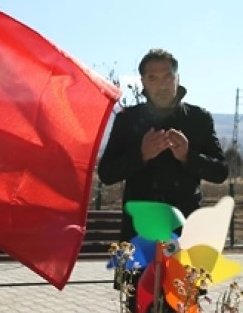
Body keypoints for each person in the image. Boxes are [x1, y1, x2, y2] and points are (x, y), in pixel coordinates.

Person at [97, 48, 229, 240]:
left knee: (187, 272)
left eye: (168, 77)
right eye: (153, 78)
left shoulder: (198, 119)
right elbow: (106, 174)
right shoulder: (127, 120)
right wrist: (141, 155)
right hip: (138, 233)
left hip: (185, 232)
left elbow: (220, 172)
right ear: (143, 82)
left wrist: (188, 156)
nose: (162, 85)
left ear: (178, 78)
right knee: (135, 272)